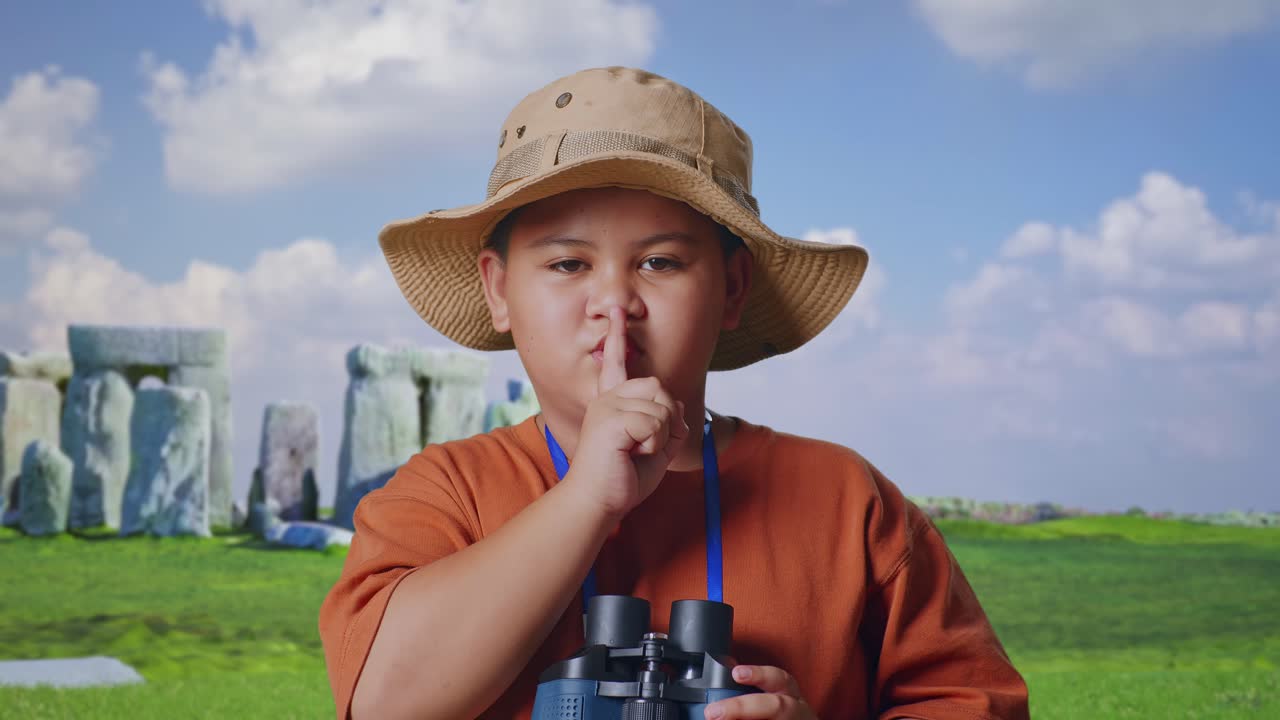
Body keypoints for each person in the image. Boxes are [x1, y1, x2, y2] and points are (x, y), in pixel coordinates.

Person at [318, 66, 1030, 720]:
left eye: (660, 262)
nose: (613, 302)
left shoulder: (848, 502)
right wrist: (587, 499)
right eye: (568, 263)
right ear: (500, 290)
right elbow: (387, 702)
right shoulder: (443, 495)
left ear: (732, 289)